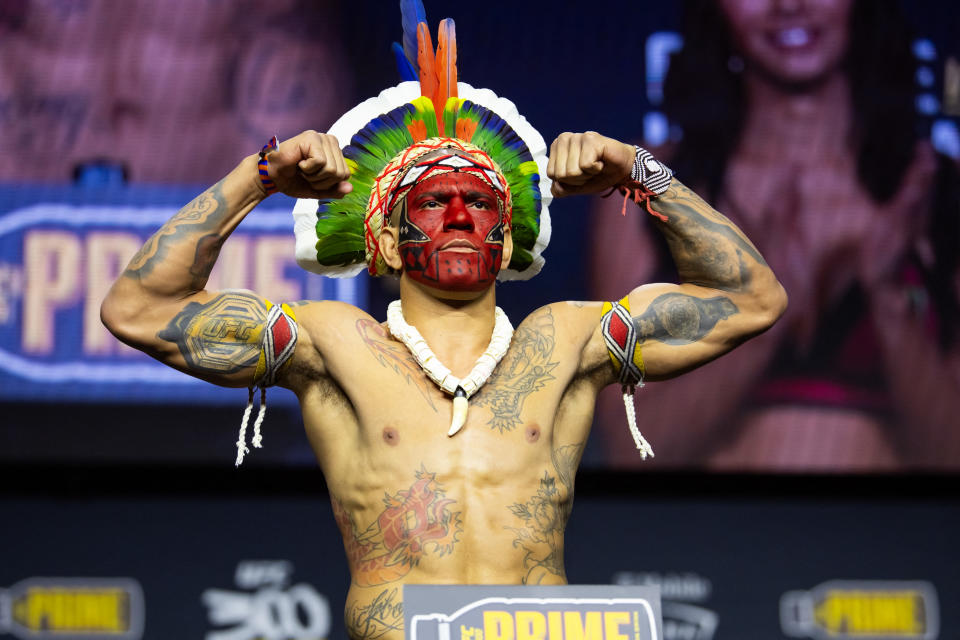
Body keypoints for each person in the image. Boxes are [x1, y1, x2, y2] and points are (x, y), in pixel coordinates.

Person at [100, 7, 786, 640]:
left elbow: (752, 299)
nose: (460, 215)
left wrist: (638, 168)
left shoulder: (568, 342)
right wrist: (259, 177)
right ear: (390, 243)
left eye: (480, 202)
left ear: (509, 240)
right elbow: (138, 310)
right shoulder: (336, 344)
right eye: (433, 202)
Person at [591, 0, 960, 471]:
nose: (790, 6)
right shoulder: (646, 191)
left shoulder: (932, 189)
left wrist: (889, 299)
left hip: (888, 539)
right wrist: (769, 314)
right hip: (702, 538)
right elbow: (632, 452)